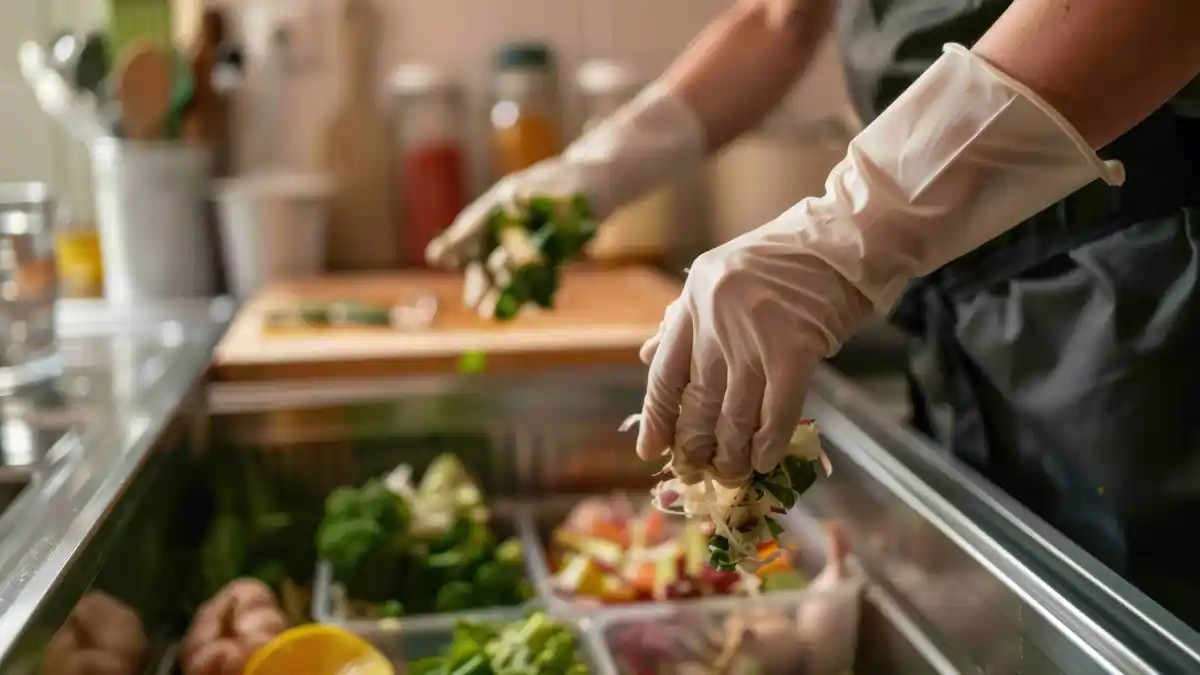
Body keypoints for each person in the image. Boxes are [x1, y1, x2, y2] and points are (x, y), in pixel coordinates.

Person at [428, 0, 1200, 624]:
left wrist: (849, 230)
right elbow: (780, 18)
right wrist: (600, 168)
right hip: (964, 307)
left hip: (1134, 300)